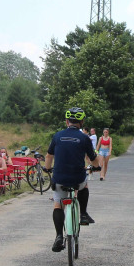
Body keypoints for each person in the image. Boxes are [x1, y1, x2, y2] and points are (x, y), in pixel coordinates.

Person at [44, 107, 101, 252]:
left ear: (67, 121)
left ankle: (58, 236)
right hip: (77, 177)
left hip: (60, 177)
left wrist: (48, 169)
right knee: (84, 185)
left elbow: (49, 156)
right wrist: (97, 167)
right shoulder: (84, 138)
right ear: (81, 122)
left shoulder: (57, 136)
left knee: (58, 204)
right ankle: (83, 214)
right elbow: (93, 158)